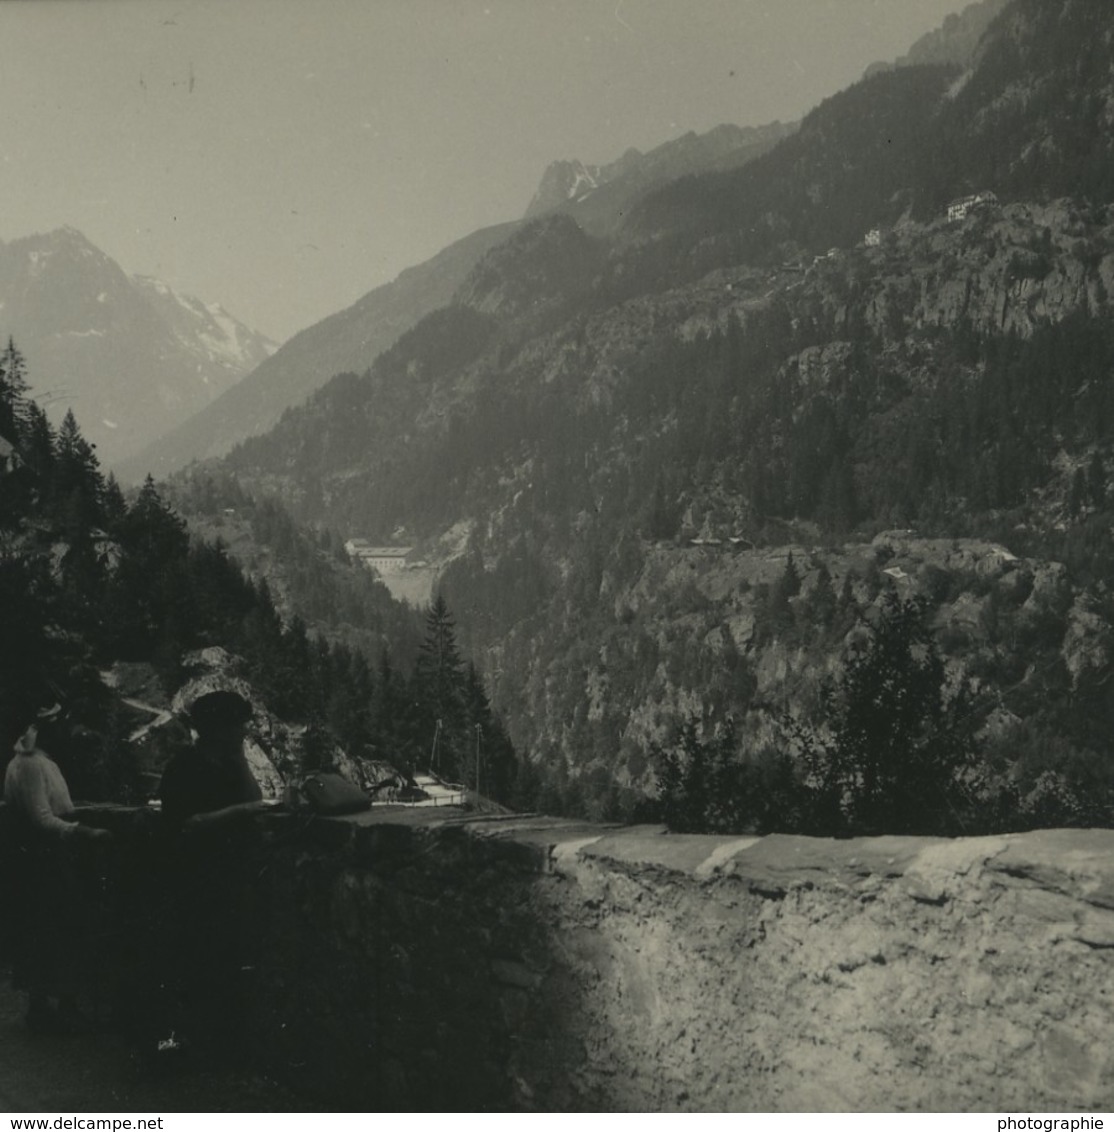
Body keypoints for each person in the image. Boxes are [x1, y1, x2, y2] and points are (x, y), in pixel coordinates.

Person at [154, 689, 271, 1060]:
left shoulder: (227, 763)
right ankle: (188, 1046)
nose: (242, 732)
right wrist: (242, 811)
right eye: (237, 725)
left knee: (223, 958)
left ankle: (215, 1044)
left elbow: (253, 800)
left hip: (224, 875)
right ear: (218, 728)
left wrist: (241, 763)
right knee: (196, 961)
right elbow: (188, 824)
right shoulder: (184, 767)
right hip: (191, 878)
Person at [3, 703, 111, 1033]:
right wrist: (84, 831)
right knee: (54, 925)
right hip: (42, 856)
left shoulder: (43, 761)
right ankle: (56, 1006)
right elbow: (41, 817)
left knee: (52, 926)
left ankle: (50, 1005)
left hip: (48, 853)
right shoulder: (29, 764)